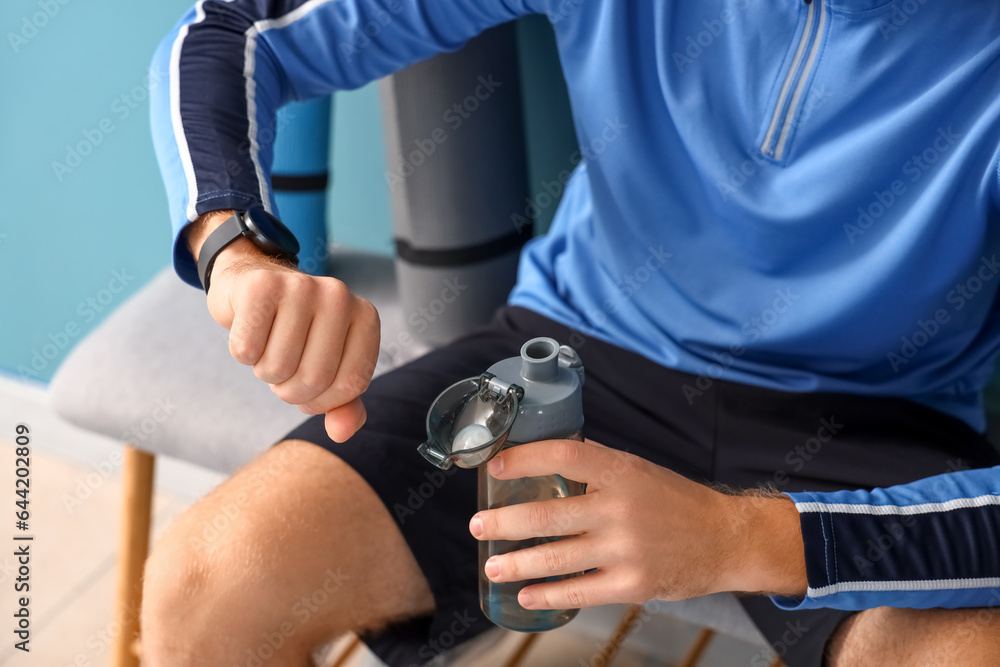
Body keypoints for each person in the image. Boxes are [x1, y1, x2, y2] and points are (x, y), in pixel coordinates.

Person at [141, 0, 1000, 665]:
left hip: (875, 423)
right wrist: (237, 251)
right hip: (571, 358)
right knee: (206, 588)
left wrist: (743, 537)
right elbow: (235, 29)